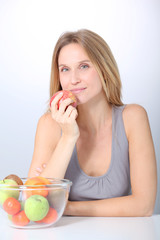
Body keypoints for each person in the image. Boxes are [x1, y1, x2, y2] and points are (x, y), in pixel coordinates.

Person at [28, 29, 157, 217]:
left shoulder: (133, 118)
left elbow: (144, 206)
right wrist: (69, 137)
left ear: (104, 70)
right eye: (65, 69)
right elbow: (36, 202)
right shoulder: (49, 124)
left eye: (84, 66)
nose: (73, 79)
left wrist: (68, 207)